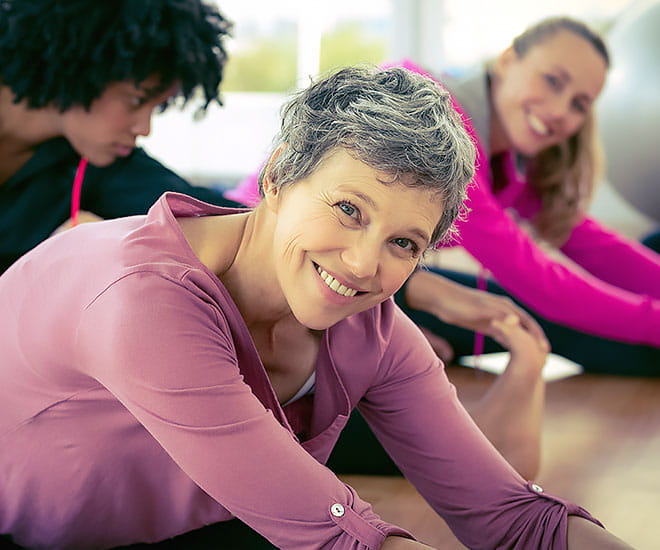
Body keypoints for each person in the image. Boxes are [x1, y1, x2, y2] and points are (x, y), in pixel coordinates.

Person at [0, 66, 633, 550]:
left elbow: (511, 517)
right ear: (276, 176)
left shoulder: (373, 333)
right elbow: (338, 535)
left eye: (403, 243)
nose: (362, 264)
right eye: (348, 209)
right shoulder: (143, 299)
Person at [390, 16, 660, 376]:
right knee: (542, 317)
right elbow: (544, 285)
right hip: (329, 288)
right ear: (507, 59)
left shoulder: (505, 156)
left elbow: (591, 243)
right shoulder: (438, 134)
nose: (559, 111)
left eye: (579, 104)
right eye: (552, 81)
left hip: (382, 287)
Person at [0, 0, 241, 275]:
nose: (144, 128)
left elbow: (220, 218)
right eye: (137, 100)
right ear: (82, 65)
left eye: (157, 107)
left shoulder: (97, 163)